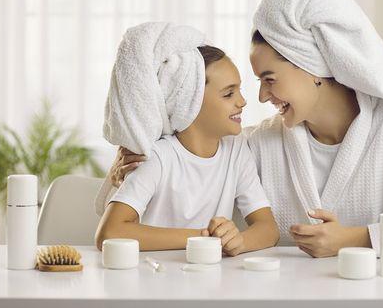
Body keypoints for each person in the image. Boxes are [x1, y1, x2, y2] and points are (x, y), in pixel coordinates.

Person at [103, 0, 383, 258]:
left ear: (313, 65)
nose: (261, 97)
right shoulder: (258, 144)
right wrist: (126, 167)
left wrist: (356, 238)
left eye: (269, 79)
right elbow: (186, 171)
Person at [95, 22, 279, 255]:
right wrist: (203, 237)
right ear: (190, 103)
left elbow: (268, 229)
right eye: (229, 93)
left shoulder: (236, 150)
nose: (242, 102)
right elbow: (110, 234)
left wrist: (238, 242)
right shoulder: (157, 157)